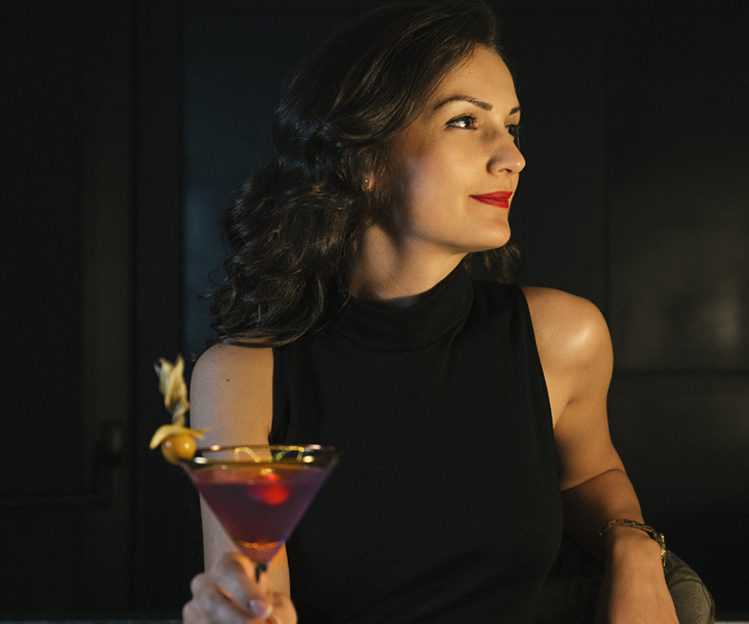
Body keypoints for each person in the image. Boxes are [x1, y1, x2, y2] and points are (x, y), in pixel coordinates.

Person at [182, 2, 709, 622]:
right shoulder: (245, 377)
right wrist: (237, 612)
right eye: (465, 122)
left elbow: (590, 477)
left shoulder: (561, 337)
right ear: (362, 160)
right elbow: (252, 585)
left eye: (512, 126)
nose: (511, 156)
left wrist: (634, 548)